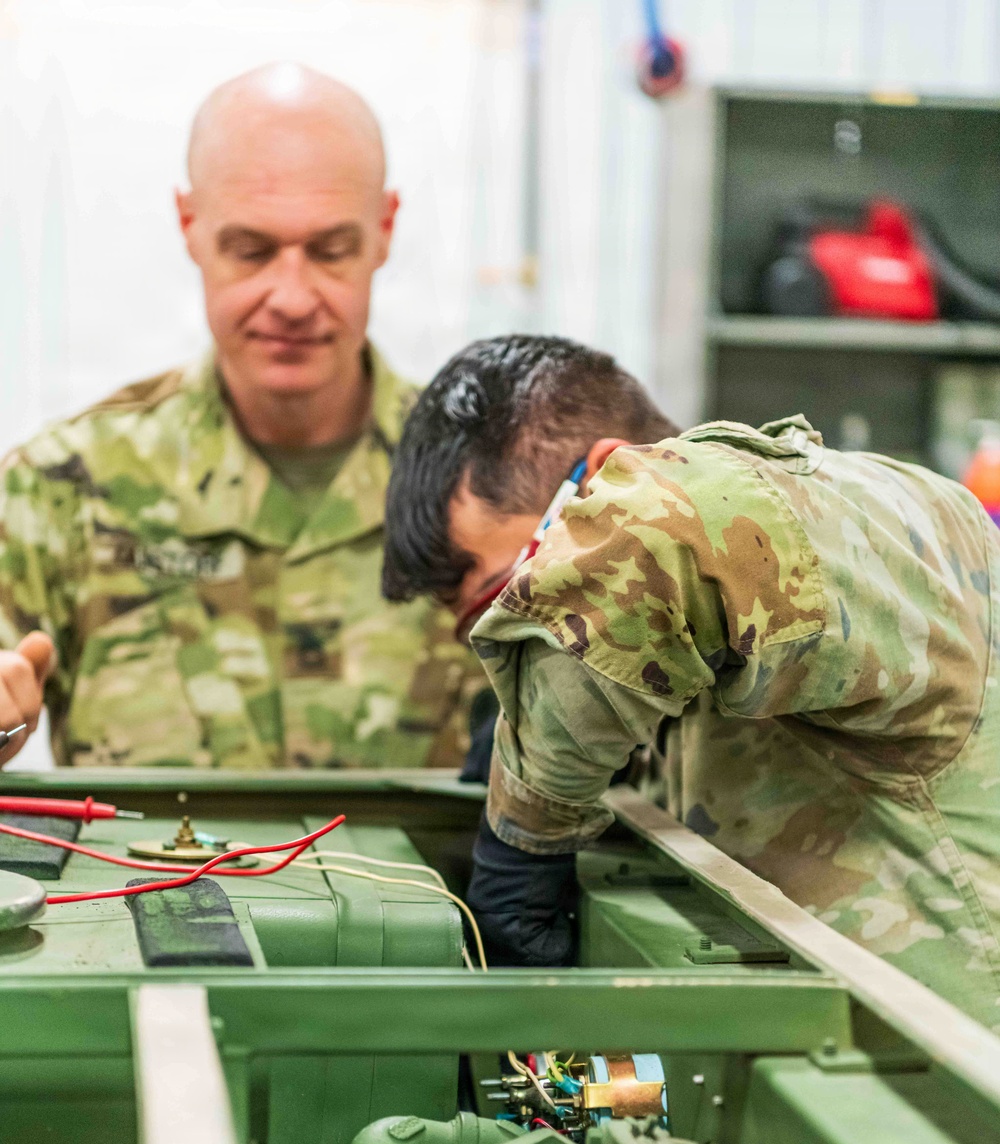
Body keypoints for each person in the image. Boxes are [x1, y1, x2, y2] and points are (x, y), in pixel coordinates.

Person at [382, 334, 1000, 1022]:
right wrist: (520, 725)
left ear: (605, 473)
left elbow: (662, 532)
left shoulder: (867, 523)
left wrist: (527, 830)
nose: (531, 634)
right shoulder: (662, 657)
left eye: (514, 597)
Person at [0, 63, 480, 768]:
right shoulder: (63, 488)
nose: (290, 296)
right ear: (191, 227)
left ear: (384, 230)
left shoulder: (488, 484)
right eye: (250, 251)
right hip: (155, 881)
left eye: (330, 251)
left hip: (433, 883)